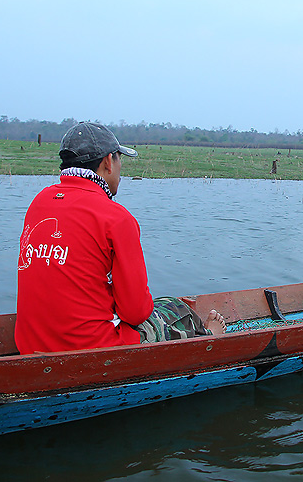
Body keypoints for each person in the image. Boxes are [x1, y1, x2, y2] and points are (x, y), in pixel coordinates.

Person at [15, 122, 225, 354]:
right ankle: (210, 337)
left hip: (30, 344)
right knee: (175, 308)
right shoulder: (116, 218)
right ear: (107, 162)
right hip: (93, 347)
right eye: (119, 159)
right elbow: (135, 312)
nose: (120, 168)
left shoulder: (39, 203)